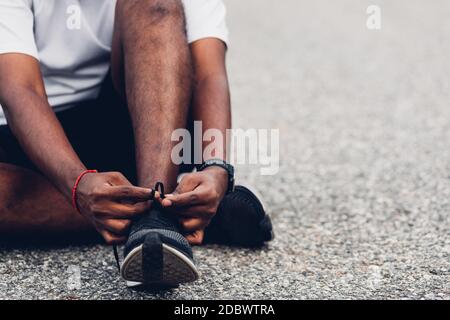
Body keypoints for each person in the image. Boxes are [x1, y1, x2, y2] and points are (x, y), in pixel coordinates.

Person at [0, 0, 273, 287]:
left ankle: (155, 219)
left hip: (145, 124)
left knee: (153, 3)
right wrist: (77, 184)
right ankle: (177, 210)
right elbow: (21, 90)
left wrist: (216, 167)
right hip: (30, 135)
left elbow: (208, 74)